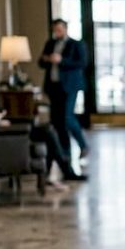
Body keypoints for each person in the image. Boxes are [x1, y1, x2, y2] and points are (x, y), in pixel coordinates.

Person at [0, 74, 83, 188]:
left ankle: (57, 171)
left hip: (0, 133)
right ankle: (64, 169)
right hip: (1, 136)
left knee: (47, 131)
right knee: (47, 131)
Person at [38, 18, 90, 159]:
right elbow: (40, 63)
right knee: (57, 121)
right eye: (55, 30)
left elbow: (82, 63)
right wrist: (46, 59)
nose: (57, 32)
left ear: (65, 29)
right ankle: (64, 152)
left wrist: (62, 60)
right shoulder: (50, 43)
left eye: (59, 30)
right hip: (53, 86)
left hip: (69, 86)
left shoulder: (76, 44)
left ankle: (83, 145)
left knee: (67, 117)